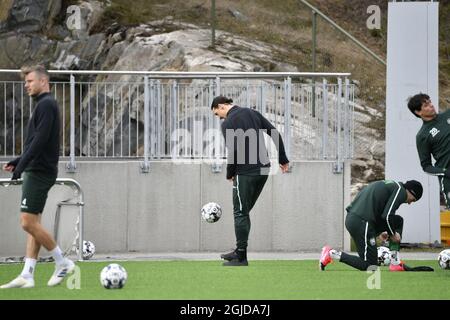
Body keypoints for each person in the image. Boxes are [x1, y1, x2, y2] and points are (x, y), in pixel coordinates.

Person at [0, 65, 75, 289]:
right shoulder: (43, 105)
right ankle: (27, 274)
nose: (26, 85)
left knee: (27, 223)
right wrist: (18, 161)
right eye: (25, 82)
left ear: (44, 81)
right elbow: (35, 141)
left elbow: (41, 140)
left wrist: (22, 166)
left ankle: (63, 262)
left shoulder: (47, 104)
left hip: (39, 171)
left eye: (30, 81)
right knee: (34, 224)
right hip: (36, 169)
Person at [211, 96, 290, 266]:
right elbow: (274, 133)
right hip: (263, 169)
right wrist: (283, 158)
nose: (220, 118)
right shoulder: (252, 113)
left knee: (240, 212)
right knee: (244, 211)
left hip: (245, 172)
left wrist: (229, 173)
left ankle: (241, 257)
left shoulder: (228, 123)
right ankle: (238, 251)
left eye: (218, 114)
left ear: (221, 106)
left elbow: (233, 151)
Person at [319, 179, 423, 272]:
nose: (410, 203)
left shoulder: (391, 185)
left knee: (398, 221)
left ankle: (395, 263)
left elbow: (380, 212)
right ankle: (331, 253)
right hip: (362, 222)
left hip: (355, 219)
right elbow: (387, 216)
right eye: (413, 199)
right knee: (370, 266)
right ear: (410, 191)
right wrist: (392, 234)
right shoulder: (400, 191)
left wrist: (383, 230)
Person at [407, 93, 450, 208]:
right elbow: (426, 166)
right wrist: (445, 172)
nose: (431, 105)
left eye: (430, 102)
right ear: (418, 112)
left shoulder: (447, 114)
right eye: (426, 105)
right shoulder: (422, 136)